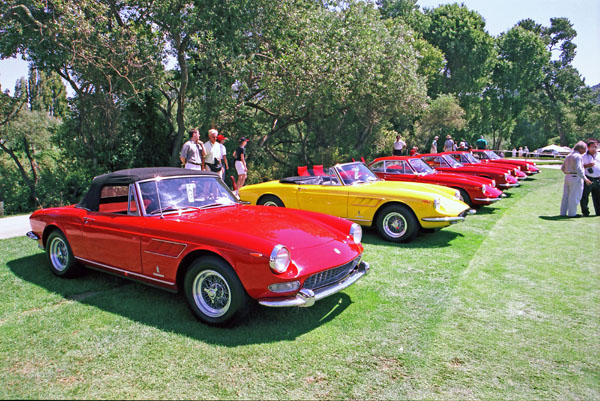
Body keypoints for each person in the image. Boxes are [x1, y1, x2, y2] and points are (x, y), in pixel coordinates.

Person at [560, 141, 592, 217]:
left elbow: (562, 167)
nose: (585, 151)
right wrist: (585, 178)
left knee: (566, 196)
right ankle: (572, 213)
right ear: (581, 148)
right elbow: (579, 168)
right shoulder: (578, 156)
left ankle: (563, 212)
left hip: (568, 176)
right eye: (585, 149)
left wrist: (567, 172)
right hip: (575, 176)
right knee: (574, 196)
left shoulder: (569, 155)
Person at [580, 140, 600, 216]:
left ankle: (598, 212)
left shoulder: (599, 155)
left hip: (598, 178)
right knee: (585, 196)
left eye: (595, 146)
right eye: (592, 147)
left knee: (598, 196)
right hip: (588, 178)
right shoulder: (583, 156)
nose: (594, 148)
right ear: (588, 147)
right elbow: (580, 167)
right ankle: (585, 212)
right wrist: (587, 165)